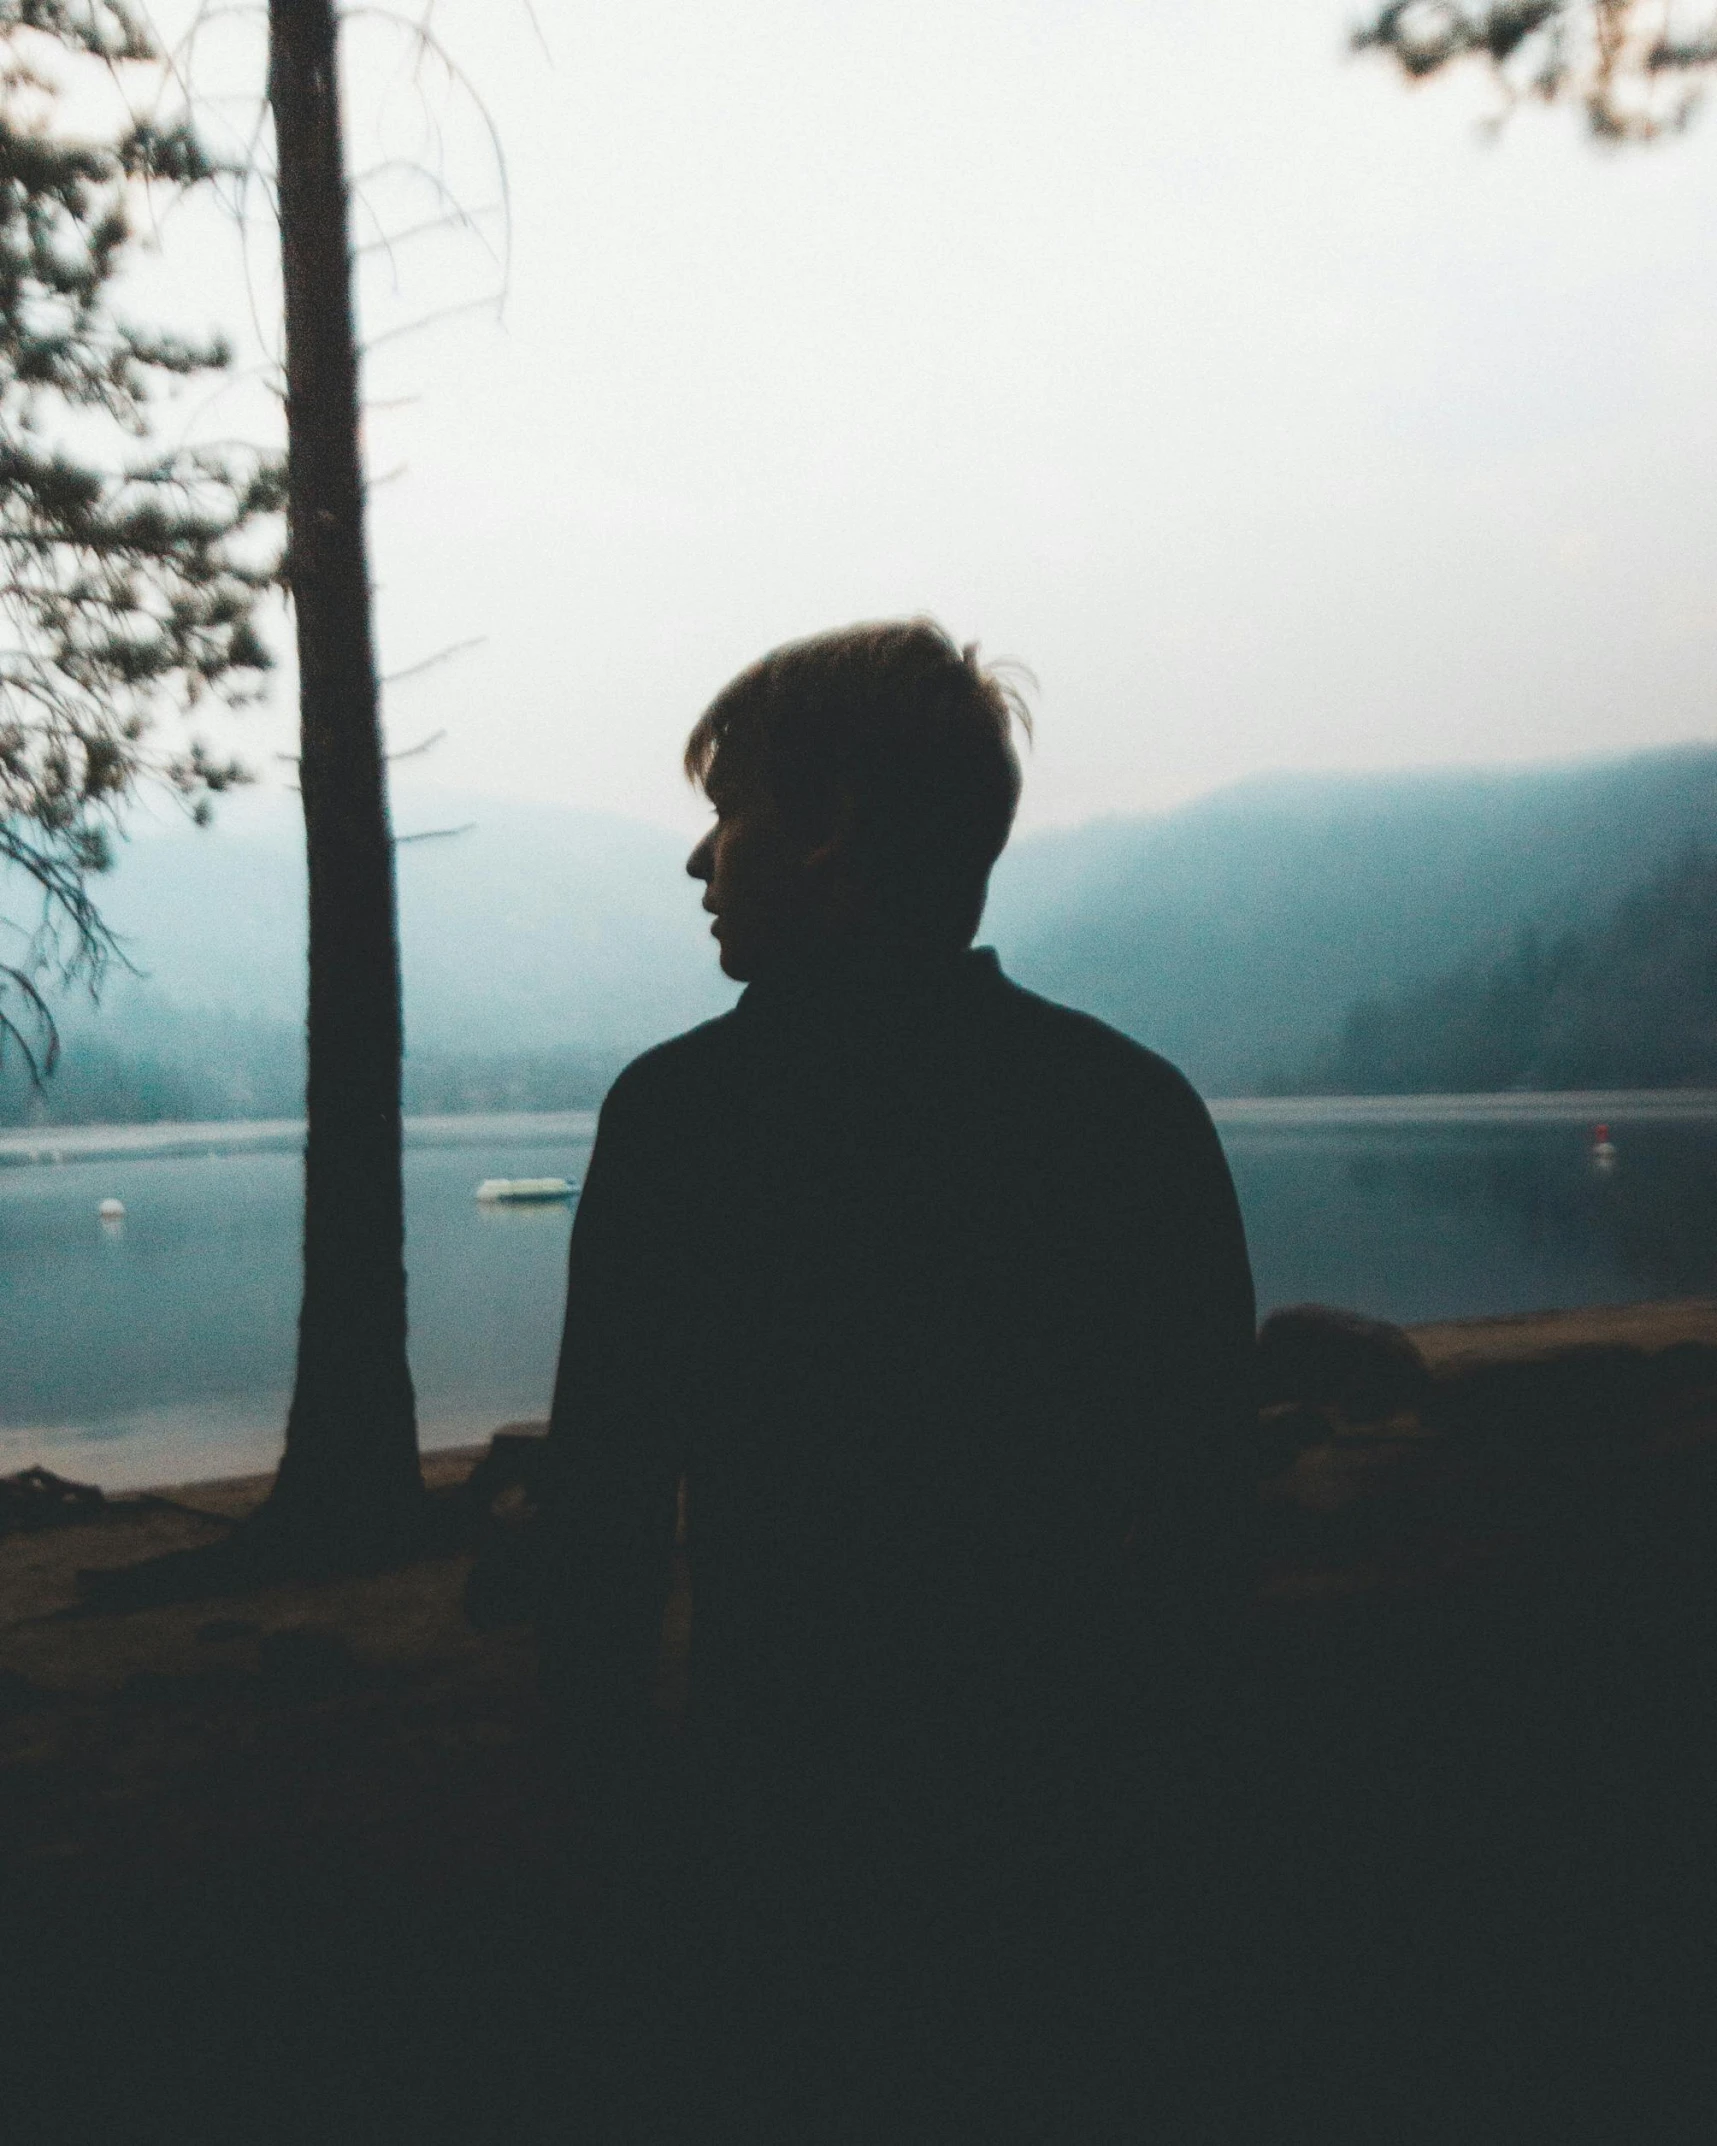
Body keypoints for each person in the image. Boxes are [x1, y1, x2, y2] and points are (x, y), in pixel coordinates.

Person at [536, 619, 1257, 2143]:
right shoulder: (1128, 1114)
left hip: (771, 1846)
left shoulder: (683, 1125)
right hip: (1078, 1847)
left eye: (724, 810)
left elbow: (601, 1544)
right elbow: (1206, 1541)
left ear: (826, 831)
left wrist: (602, 1862)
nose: (698, 861)